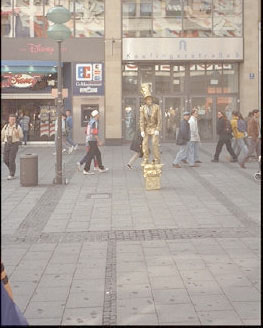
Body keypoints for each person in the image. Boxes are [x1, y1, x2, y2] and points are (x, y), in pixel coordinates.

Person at [139, 83, 161, 164]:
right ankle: (145, 159)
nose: (149, 101)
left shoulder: (157, 107)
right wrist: (142, 130)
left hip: (154, 127)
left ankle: (156, 159)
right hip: (146, 128)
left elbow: (159, 119)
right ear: (145, 100)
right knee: (144, 144)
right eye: (148, 99)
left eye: (150, 99)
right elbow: (141, 120)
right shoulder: (142, 108)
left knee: (154, 143)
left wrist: (158, 129)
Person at [83, 109, 109, 175]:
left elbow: (86, 131)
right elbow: (95, 133)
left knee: (97, 153)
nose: (99, 115)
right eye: (98, 114)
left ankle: (101, 168)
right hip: (92, 140)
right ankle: (86, 169)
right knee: (90, 155)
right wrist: (99, 141)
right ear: (96, 115)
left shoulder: (90, 121)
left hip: (90, 139)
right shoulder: (95, 122)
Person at [1, 114, 23, 180]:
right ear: (9, 120)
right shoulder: (5, 127)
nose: (12, 121)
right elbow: (2, 135)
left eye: (13, 119)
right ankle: (12, 169)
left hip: (14, 144)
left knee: (11, 160)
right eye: (11, 119)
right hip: (7, 144)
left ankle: (12, 174)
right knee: (5, 159)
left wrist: (17, 133)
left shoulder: (17, 127)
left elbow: (21, 136)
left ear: (15, 120)